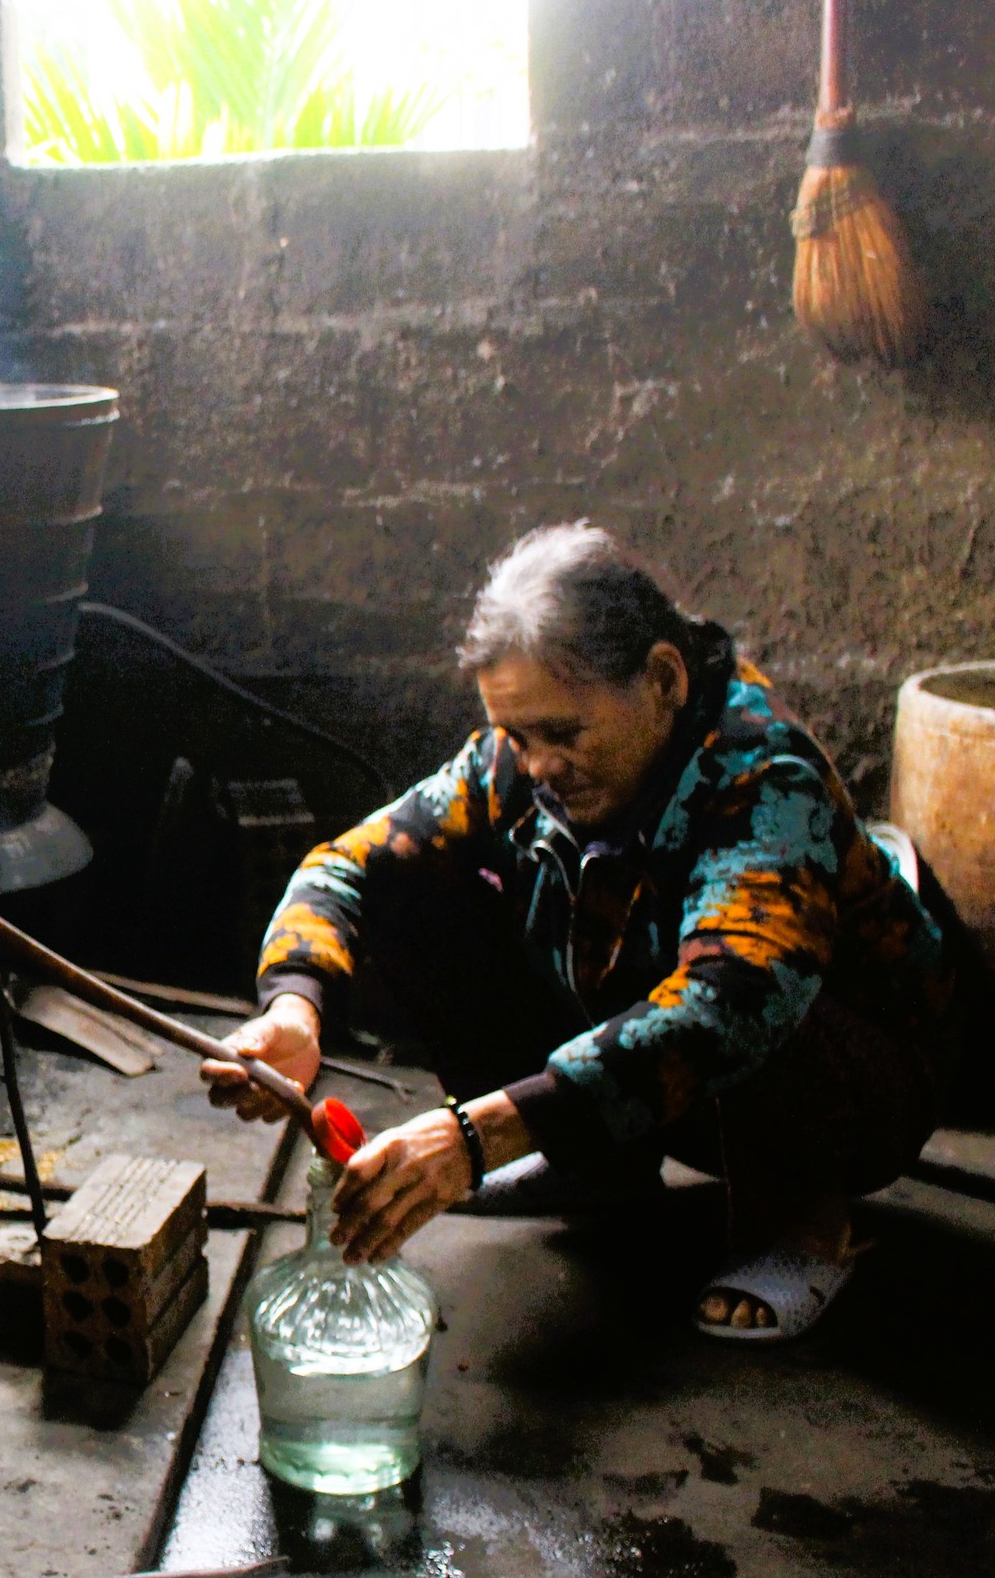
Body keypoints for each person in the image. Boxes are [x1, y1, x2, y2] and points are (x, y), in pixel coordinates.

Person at [202, 522, 957, 1341]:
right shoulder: (517, 763)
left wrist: (482, 1131)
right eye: (518, 736)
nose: (537, 765)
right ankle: (593, 1166)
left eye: (564, 734)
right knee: (414, 892)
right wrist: (296, 1007)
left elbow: (731, 1002)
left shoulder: (764, 775)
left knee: (753, 995)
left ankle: (807, 1224)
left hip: (850, 1085)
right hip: (650, 1072)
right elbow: (347, 866)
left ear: (664, 678)